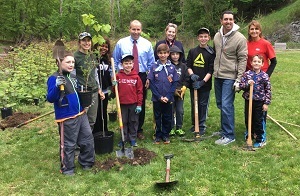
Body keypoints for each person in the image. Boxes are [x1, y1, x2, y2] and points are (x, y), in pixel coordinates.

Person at [47, 51, 94, 176]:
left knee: (87, 138)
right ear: (59, 62)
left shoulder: (72, 76)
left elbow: (77, 94)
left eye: (73, 62)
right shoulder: (54, 78)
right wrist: (57, 86)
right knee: (68, 144)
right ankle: (67, 168)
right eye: (68, 62)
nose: (71, 64)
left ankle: (87, 162)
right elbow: (51, 98)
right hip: (67, 116)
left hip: (80, 113)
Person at [113, 20, 155, 140]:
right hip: (124, 76)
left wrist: (149, 77)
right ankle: (124, 129)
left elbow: (151, 63)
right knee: (125, 103)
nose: (136, 32)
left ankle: (138, 129)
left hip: (141, 76)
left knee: (139, 102)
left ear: (141, 30)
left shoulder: (147, 44)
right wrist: (114, 75)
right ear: (129, 29)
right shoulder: (121, 43)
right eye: (133, 29)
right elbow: (115, 61)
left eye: (138, 29)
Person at [213, 11, 248, 145]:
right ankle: (224, 130)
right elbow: (216, 54)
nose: (228, 22)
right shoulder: (217, 36)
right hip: (218, 75)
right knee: (221, 104)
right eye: (226, 19)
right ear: (221, 20)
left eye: (231, 19)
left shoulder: (240, 38)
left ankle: (229, 135)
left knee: (227, 105)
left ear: (234, 21)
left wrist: (239, 79)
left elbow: (243, 59)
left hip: (230, 77)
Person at [148, 44, 179, 144]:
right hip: (157, 98)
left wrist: (168, 96)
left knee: (167, 117)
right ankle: (158, 135)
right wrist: (159, 96)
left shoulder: (172, 68)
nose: (163, 55)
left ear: (168, 54)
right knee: (157, 117)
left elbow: (174, 83)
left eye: (165, 53)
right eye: (160, 53)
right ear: (157, 54)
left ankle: (165, 135)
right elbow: (151, 84)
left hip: (168, 98)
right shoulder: (153, 67)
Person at [186, 27, 215, 136]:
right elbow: (188, 65)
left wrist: (203, 82)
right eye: (201, 37)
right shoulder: (193, 51)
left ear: (209, 38)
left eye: (205, 36)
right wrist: (192, 74)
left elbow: (211, 70)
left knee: (203, 104)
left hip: (205, 84)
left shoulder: (211, 52)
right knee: (194, 104)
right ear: (198, 38)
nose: (203, 38)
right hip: (193, 83)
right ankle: (195, 125)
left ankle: (201, 125)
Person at [74, 32, 105, 130]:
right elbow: (73, 76)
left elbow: (95, 74)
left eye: (88, 41)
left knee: (92, 119)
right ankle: (79, 142)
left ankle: (87, 142)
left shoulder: (92, 56)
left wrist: (99, 89)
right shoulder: (75, 57)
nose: (86, 43)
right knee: (81, 118)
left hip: (94, 91)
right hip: (83, 92)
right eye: (84, 40)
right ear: (79, 42)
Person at [239, 55, 271, 148]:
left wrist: (266, 103)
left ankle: (260, 138)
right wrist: (247, 84)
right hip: (249, 100)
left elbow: (268, 90)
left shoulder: (264, 76)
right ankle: (250, 134)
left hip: (259, 102)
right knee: (248, 118)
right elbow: (241, 86)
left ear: (262, 64)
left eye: (259, 62)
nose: (256, 63)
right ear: (251, 63)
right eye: (255, 61)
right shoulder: (247, 74)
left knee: (258, 120)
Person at [114, 54, 143, 147]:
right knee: (123, 121)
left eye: (130, 63)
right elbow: (114, 91)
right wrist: (114, 85)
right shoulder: (118, 76)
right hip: (122, 104)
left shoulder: (136, 77)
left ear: (133, 64)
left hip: (133, 104)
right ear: (122, 64)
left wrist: (139, 104)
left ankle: (133, 138)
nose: (128, 65)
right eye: (126, 63)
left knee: (133, 121)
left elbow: (140, 91)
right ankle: (124, 138)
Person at [93, 38, 112, 134]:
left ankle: (104, 130)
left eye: (106, 47)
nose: (104, 48)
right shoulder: (93, 59)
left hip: (104, 90)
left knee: (103, 111)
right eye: (102, 46)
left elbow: (110, 74)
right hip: (95, 90)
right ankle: (96, 131)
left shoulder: (107, 60)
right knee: (96, 112)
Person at [169, 45, 189, 136]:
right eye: (173, 54)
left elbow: (186, 78)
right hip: (170, 92)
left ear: (180, 55)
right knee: (170, 110)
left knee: (180, 110)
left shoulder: (183, 66)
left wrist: (184, 87)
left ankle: (179, 128)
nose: (175, 56)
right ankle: (171, 128)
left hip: (181, 92)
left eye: (177, 54)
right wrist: (172, 90)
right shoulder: (168, 66)